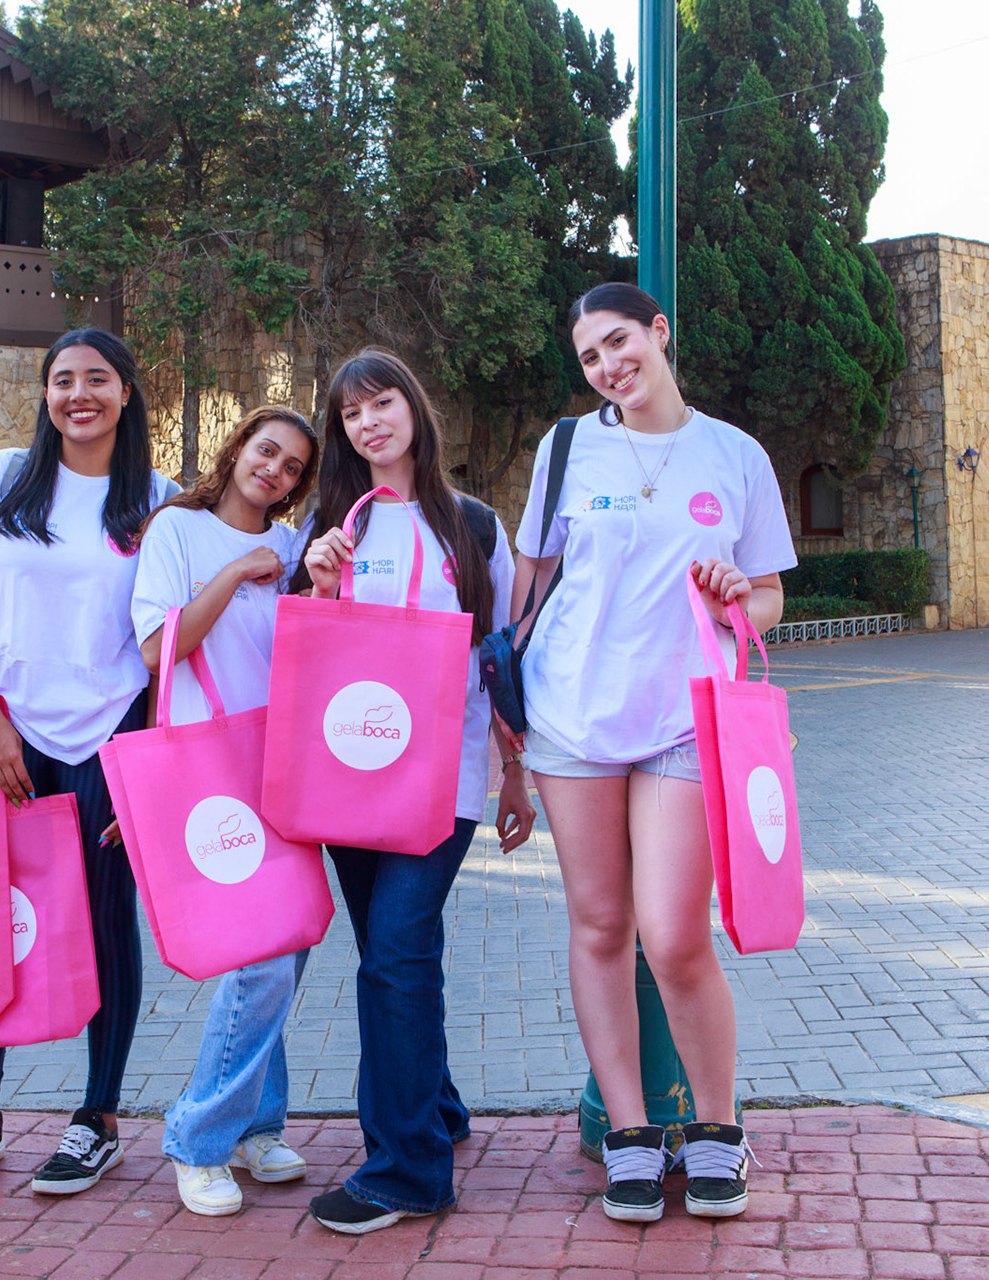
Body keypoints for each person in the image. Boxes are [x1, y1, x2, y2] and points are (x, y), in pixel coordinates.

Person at [511, 282, 794, 1223]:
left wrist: (733, 598)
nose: (608, 366)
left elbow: (768, 601)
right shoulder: (564, 449)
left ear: (659, 333)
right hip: (571, 722)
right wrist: (510, 725)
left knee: (674, 935)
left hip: (686, 719)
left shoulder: (736, 454)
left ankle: (718, 1131)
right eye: (591, 356)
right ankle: (629, 1134)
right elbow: (531, 590)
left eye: (620, 342)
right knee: (600, 928)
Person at [0, 328, 179, 1198]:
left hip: (111, 739)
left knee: (105, 926)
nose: (78, 395)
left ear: (128, 392)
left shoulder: (161, 504)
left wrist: (144, 759)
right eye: (62, 381)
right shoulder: (3, 478)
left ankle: (96, 1117)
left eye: (97, 379)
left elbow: (175, 639)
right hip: (8, 736)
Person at [291, 348, 531, 1235]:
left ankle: (407, 1170)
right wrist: (317, 584)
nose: (368, 423)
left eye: (381, 402)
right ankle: (436, 1111)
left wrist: (516, 772)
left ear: (413, 409)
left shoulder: (471, 523)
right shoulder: (333, 527)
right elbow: (310, 656)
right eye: (351, 414)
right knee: (392, 956)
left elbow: (500, 658)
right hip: (351, 775)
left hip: (446, 777)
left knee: (394, 952)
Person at [129, 405, 321, 1217]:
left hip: (283, 762)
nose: (272, 470)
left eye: (290, 468)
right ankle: (198, 1136)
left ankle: (255, 1126)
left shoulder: (294, 550)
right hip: (211, 766)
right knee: (259, 957)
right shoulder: (176, 531)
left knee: (292, 938)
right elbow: (157, 650)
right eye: (264, 451)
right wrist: (236, 573)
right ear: (237, 446)